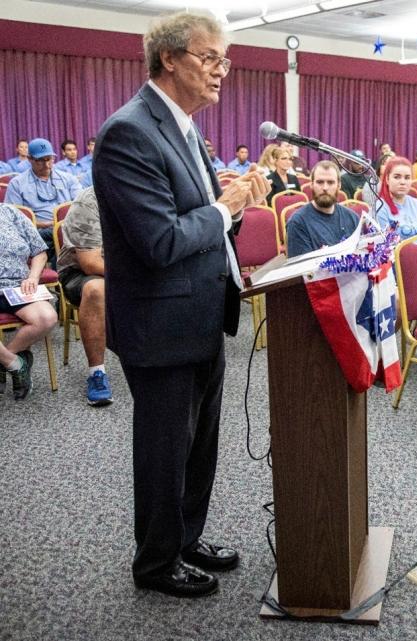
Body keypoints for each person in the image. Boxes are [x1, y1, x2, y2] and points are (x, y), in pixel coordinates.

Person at [94, 11, 270, 598]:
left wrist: (234, 204)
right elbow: (161, 240)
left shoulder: (186, 127)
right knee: (166, 452)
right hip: (160, 322)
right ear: (169, 58)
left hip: (199, 314)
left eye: (226, 60)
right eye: (210, 58)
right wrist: (225, 208)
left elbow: (203, 216)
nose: (222, 71)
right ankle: (155, 563)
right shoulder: (129, 131)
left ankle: (185, 539)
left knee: (199, 446)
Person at [56, 187, 113, 406]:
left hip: (127, 270)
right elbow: (91, 263)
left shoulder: (145, 194)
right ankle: (97, 373)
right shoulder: (90, 201)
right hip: (81, 272)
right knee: (96, 289)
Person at [0, 203, 58, 400]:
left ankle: (5, 359)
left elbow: (40, 252)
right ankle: (15, 364)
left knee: (47, 317)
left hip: (18, 285)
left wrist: (33, 277)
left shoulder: (9, 212)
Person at [4, 137, 82, 267]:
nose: (46, 165)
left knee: (68, 231)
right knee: (59, 234)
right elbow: (12, 218)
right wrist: (40, 224)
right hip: (36, 230)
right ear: (29, 159)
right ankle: (64, 274)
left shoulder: (68, 179)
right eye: (40, 161)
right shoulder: (17, 183)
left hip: (67, 226)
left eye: (49, 159)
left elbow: (81, 206)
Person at [286, 161, 360, 258]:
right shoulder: (298, 223)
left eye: (330, 182)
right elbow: (302, 270)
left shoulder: (353, 218)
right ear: (311, 184)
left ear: (339, 185)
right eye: (320, 182)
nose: (325, 188)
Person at [375, 156, 417, 240]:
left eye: (407, 178)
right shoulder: (380, 208)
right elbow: (385, 246)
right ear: (387, 179)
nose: (402, 182)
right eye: (397, 177)